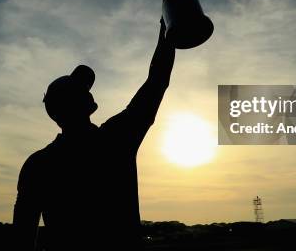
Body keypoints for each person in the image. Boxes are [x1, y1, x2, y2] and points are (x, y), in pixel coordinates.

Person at [13, 19, 175, 250]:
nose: (89, 92)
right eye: (82, 91)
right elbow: (157, 80)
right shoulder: (115, 139)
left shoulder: (37, 164)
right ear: (83, 104)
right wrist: (167, 24)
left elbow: (22, 237)